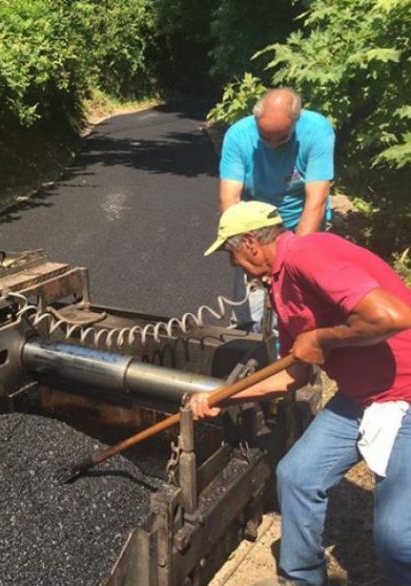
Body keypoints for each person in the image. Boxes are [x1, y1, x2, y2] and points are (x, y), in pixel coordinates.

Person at [193, 201, 411, 585]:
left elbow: (393, 316)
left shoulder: (309, 254)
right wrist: (220, 398)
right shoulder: (281, 288)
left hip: (404, 396)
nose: (234, 266)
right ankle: (301, 578)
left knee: (397, 539)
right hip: (360, 398)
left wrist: (323, 338)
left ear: (250, 244)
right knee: (296, 475)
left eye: (231, 255)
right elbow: (292, 376)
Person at [219, 88, 335, 333]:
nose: (272, 144)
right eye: (265, 137)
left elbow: (316, 200)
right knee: (252, 307)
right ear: (255, 120)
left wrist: (293, 261)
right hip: (257, 228)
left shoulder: (316, 130)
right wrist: (245, 250)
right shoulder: (238, 136)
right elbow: (230, 200)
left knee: (298, 302)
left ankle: (300, 353)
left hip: (302, 222)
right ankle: (248, 339)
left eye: (281, 138)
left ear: (296, 121)